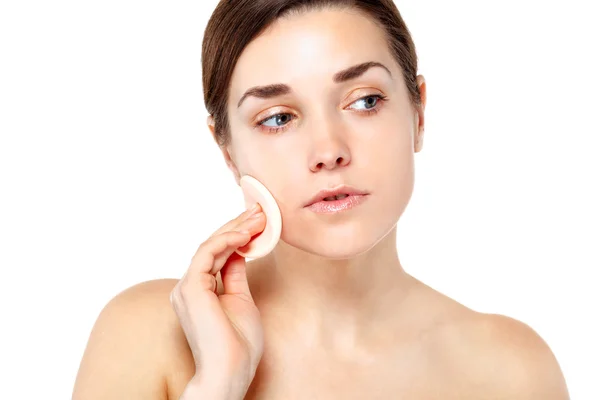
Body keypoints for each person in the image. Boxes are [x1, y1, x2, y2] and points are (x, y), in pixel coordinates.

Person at [72, 1, 570, 399]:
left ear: (419, 114)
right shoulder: (147, 335)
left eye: (365, 100)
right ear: (227, 152)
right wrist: (217, 386)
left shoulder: (512, 372)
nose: (329, 151)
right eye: (278, 117)